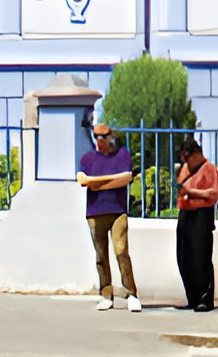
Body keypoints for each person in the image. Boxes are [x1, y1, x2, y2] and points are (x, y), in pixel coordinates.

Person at [77, 122, 139, 312]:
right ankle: (106, 294)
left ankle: (132, 294)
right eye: (96, 137)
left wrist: (96, 183)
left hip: (118, 211)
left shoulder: (123, 155)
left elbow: (126, 178)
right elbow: (82, 180)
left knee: (121, 252)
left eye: (103, 136)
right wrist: (110, 180)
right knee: (101, 256)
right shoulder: (87, 159)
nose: (100, 141)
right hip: (95, 213)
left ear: (111, 137)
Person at [174, 137, 218, 313]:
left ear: (196, 154)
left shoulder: (209, 169)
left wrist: (191, 192)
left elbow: (213, 193)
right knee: (184, 255)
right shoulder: (185, 169)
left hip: (202, 214)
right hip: (185, 212)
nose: (186, 162)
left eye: (187, 157)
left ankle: (204, 298)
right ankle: (192, 296)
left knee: (200, 256)